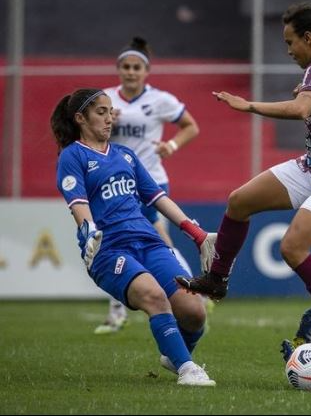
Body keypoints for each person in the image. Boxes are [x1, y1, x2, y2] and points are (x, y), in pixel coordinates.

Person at [175, 2, 311, 355]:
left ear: (309, 38)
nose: (288, 51)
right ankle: (218, 278)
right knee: (240, 201)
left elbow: (302, 109)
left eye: (291, 43)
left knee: (291, 248)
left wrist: (250, 105)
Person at [52, 88, 216, 386]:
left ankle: (173, 354)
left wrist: (195, 232)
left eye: (110, 111)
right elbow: (78, 204)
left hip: (147, 241)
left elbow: (157, 198)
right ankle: (187, 368)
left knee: (195, 312)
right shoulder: (72, 156)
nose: (109, 118)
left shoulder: (125, 155)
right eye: (101, 112)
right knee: (154, 296)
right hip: (108, 249)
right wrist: (89, 232)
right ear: (80, 118)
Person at [94, 36, 210, 335]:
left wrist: (171, 145)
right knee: (120, 242)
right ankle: (192, 290)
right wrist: (106, 122)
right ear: (118, 70)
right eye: (126, 67)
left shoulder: (160, 100)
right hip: (115, 183)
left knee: (156, 240)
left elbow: (191, 126)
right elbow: (91, 140)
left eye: (136, 67)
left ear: (146, 71)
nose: (131, 72)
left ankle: (191, 290)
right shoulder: (105, 100)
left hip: (151, 182)